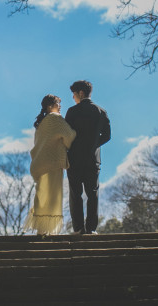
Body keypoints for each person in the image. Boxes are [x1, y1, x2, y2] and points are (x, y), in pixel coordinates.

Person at [24, 94, 77, 236]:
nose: (60, 106)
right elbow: (69, 137)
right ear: (49, 106)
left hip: (39, 163)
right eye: (57, 103)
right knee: (53, 197)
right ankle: (51, 232)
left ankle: (41, 230)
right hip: (52, 162)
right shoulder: (55, 119)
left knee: (42, 197)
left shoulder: (41, 123)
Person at [64, 80, 111, 235]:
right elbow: (107, 136)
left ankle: (78, 229)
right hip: (93, 159)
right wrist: (93, 144)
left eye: (74, 94)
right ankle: (91, 229)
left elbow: (66, 136)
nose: (73, 97)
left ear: (81, 93)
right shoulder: (101, 111)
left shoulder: (71, 112)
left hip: (74, 160)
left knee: (75, 194)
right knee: (93, 194)